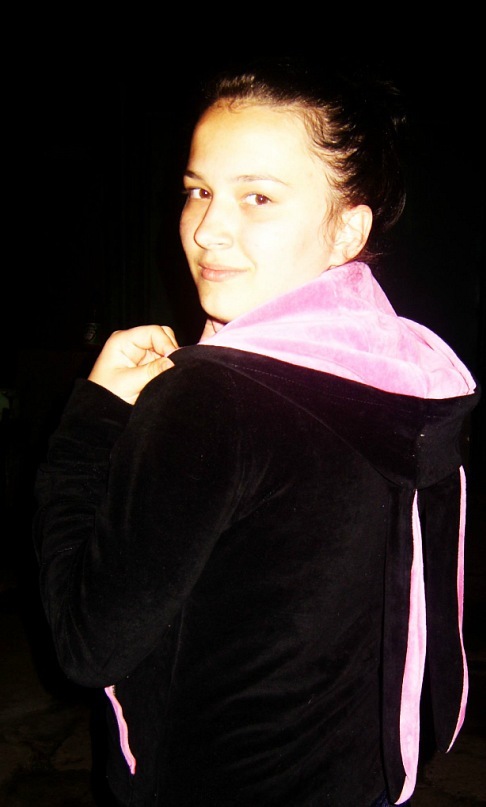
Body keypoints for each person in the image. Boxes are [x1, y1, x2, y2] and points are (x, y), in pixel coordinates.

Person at [33, 57, 479, 807]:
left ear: (347, 228)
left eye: (258, 197)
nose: (208, 229)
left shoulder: (212, 400)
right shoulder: (406, 373)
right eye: (198, 190)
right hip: (365, 777)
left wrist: (93, 423)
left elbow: (85, 644)